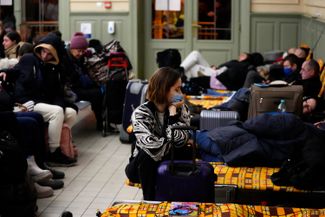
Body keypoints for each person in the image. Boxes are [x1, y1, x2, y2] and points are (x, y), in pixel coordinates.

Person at [1, 33, 78, 166]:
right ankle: (53, 152)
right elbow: (17, 71)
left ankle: (57, 142)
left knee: (71, 112)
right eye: (43, 51)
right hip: (26, 101)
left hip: (41, 101)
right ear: (39, 49)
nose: (45, 55)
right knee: (57, 112)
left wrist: (61, 104)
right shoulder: (30, 59)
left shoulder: (53, 68)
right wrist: (6, 72)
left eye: (49, 53)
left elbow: (57, 92)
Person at [125, 67, 192, 200]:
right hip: (141, 166)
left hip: (169, 159)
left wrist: (173, 114)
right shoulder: (141, 113)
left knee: (186, 151)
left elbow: (180, 140)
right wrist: (173, 143)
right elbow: (152, 147)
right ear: (163, 89)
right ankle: (150, 201)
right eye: (177, 89)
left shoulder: (181, 108)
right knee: (147, 155)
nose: (181, 93)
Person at [63, 32, 104, 131]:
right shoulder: (66, 59)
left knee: (100, 90)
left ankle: (101, 121)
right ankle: (100, 122)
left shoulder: (79, 58)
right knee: (97, 93)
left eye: (83, 51)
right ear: (72, 48)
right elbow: (73, 79)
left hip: (78, 86)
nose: (80, 53)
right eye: (78, 50)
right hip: (71, 89)